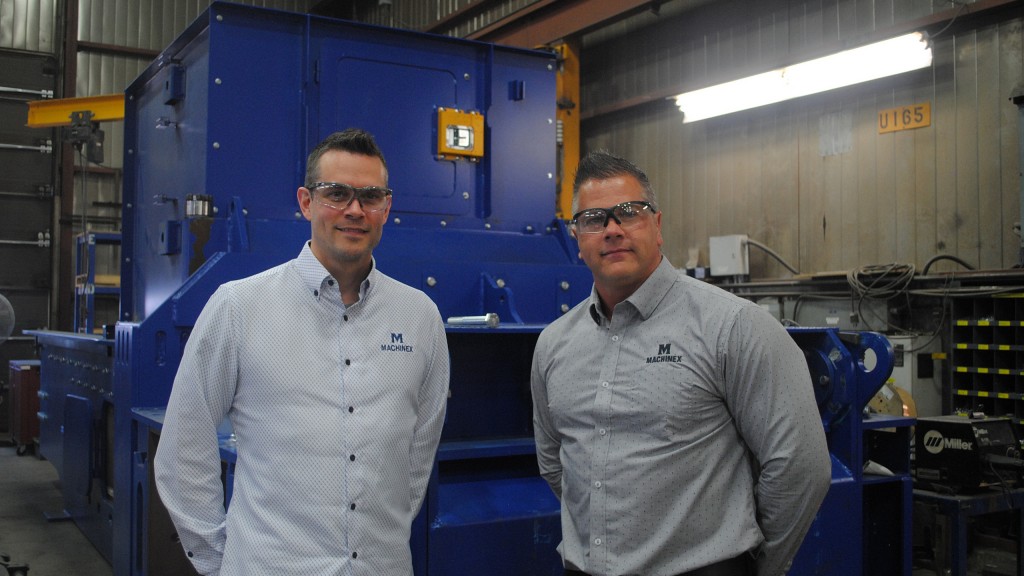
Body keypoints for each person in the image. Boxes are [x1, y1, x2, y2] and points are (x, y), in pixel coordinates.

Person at [155, 128, 450, 576]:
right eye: (337, 193)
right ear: (306, 202)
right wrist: (223, 562)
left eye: (370, 196)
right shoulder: (239, 307)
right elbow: (183, 448)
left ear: (386, 208)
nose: (355, 209)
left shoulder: (420, 317)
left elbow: (417, 456)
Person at [531, 151, 830, 576]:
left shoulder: (734, 327)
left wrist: (758, 566)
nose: (613, 230)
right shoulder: (554, 344)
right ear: (577, 237)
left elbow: (800, 466)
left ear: (657, 225)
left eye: (629, 213)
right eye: (595, 219)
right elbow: (555, 463)